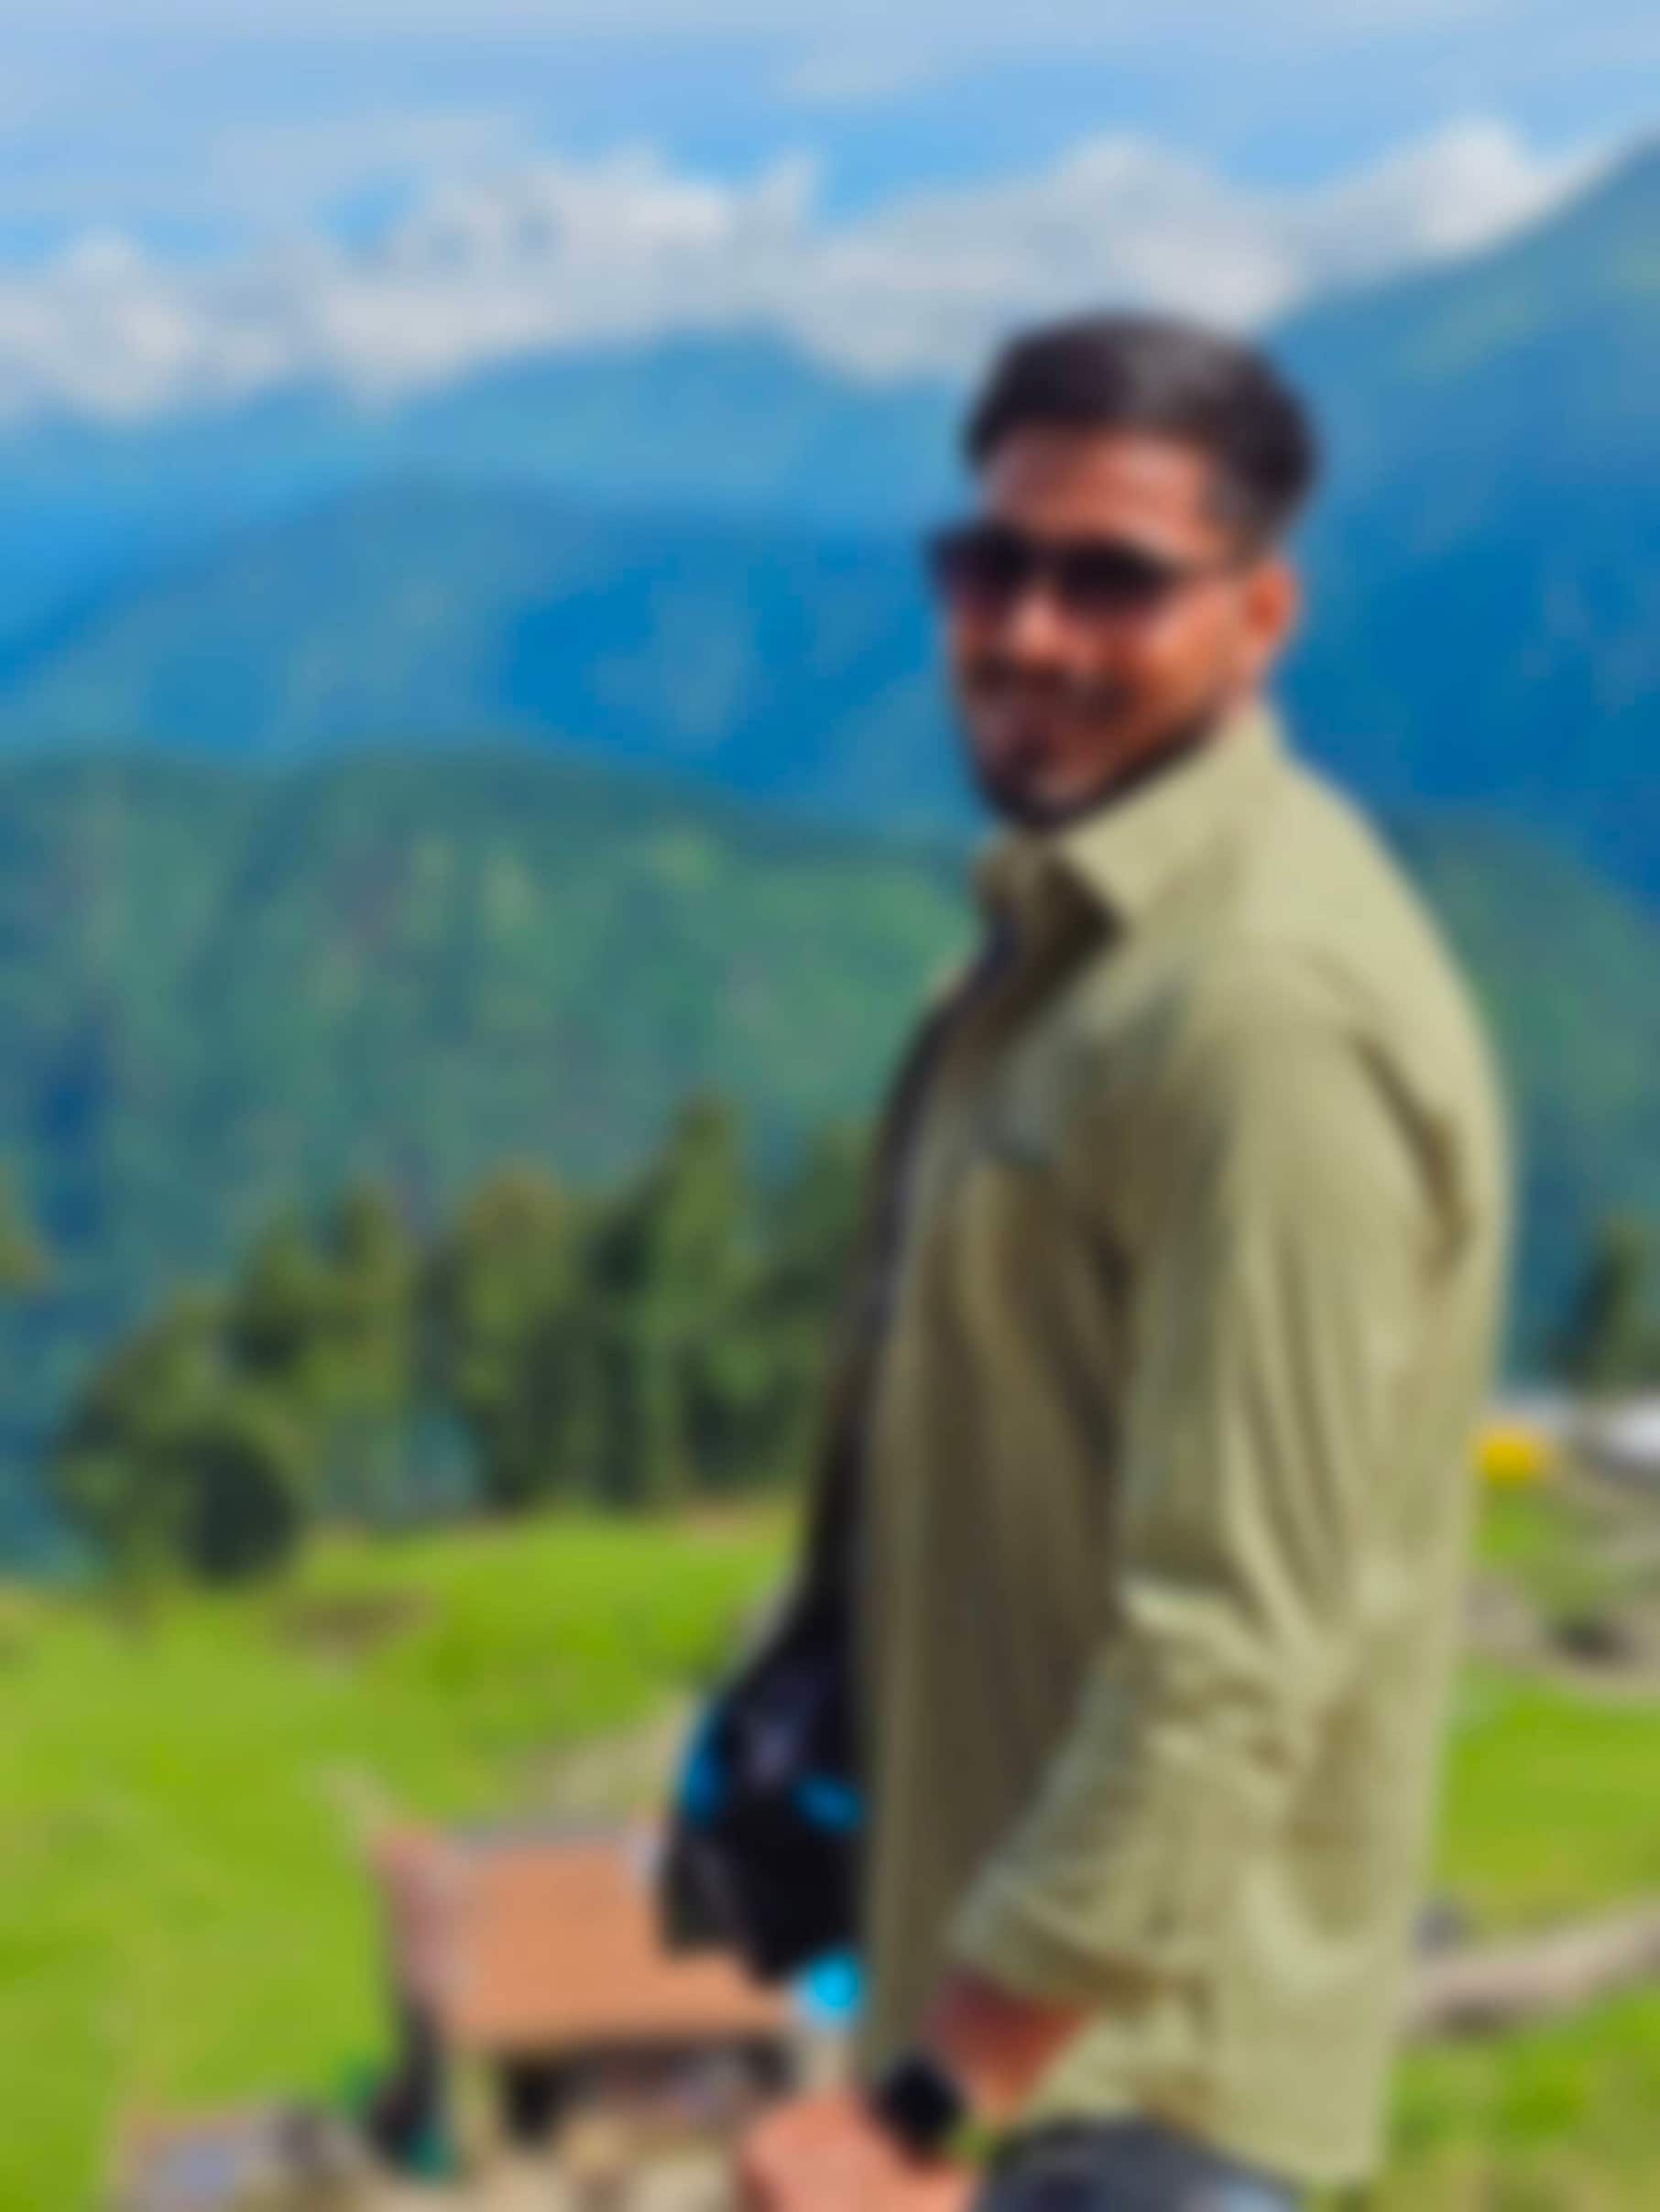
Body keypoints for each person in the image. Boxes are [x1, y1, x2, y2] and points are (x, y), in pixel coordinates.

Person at [736, 314, 1511, 2211]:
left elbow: (1232, 1649)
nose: (1028, 630)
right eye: (990, 562)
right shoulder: (1081, 954)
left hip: (1131, 2105)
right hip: (1040, 2057)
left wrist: (922, 2106)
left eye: (1114, 578)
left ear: (1261, 615)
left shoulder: (1255, 1022)